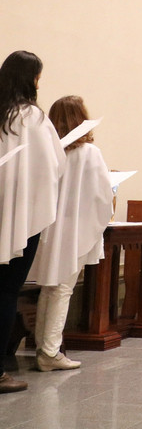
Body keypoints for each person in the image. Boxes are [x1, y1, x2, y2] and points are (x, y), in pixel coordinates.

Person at [29, 96, 113, 372]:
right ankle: (50, 352)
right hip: (76, 230)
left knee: (49, 288)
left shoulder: (50, 151)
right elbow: (102, 194)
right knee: (62, 289)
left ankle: (43, 346)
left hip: (48, 230)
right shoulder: (90, 153)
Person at [0, 51, 63, 394]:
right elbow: (53, 166)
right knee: (7, 292)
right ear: (30, 79)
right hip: (21, 220)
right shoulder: (33, 117)